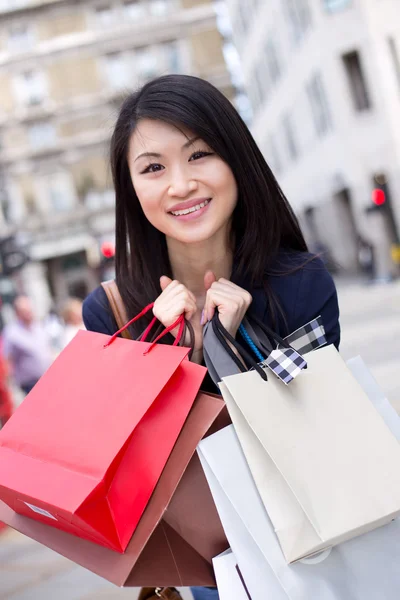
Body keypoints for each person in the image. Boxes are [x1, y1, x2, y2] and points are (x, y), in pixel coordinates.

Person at [83, 74, 340, 600]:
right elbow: (123, 474)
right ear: (132, 188)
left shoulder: (301, 283)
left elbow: (325, 431)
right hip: (200, 564)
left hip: (316, 544)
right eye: (153, 167)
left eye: (199, 155)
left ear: (236, 162)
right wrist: (177, 357)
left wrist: (236, 353)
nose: (180, 184)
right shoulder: (113, 315)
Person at [3, 296, 52, 396]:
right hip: (30, 385)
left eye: (29, 309)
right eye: (24, 311)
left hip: (49, 377)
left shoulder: (38, 325)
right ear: (17, 313)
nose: (28, 313)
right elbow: (7, 359)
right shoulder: (11, 333)